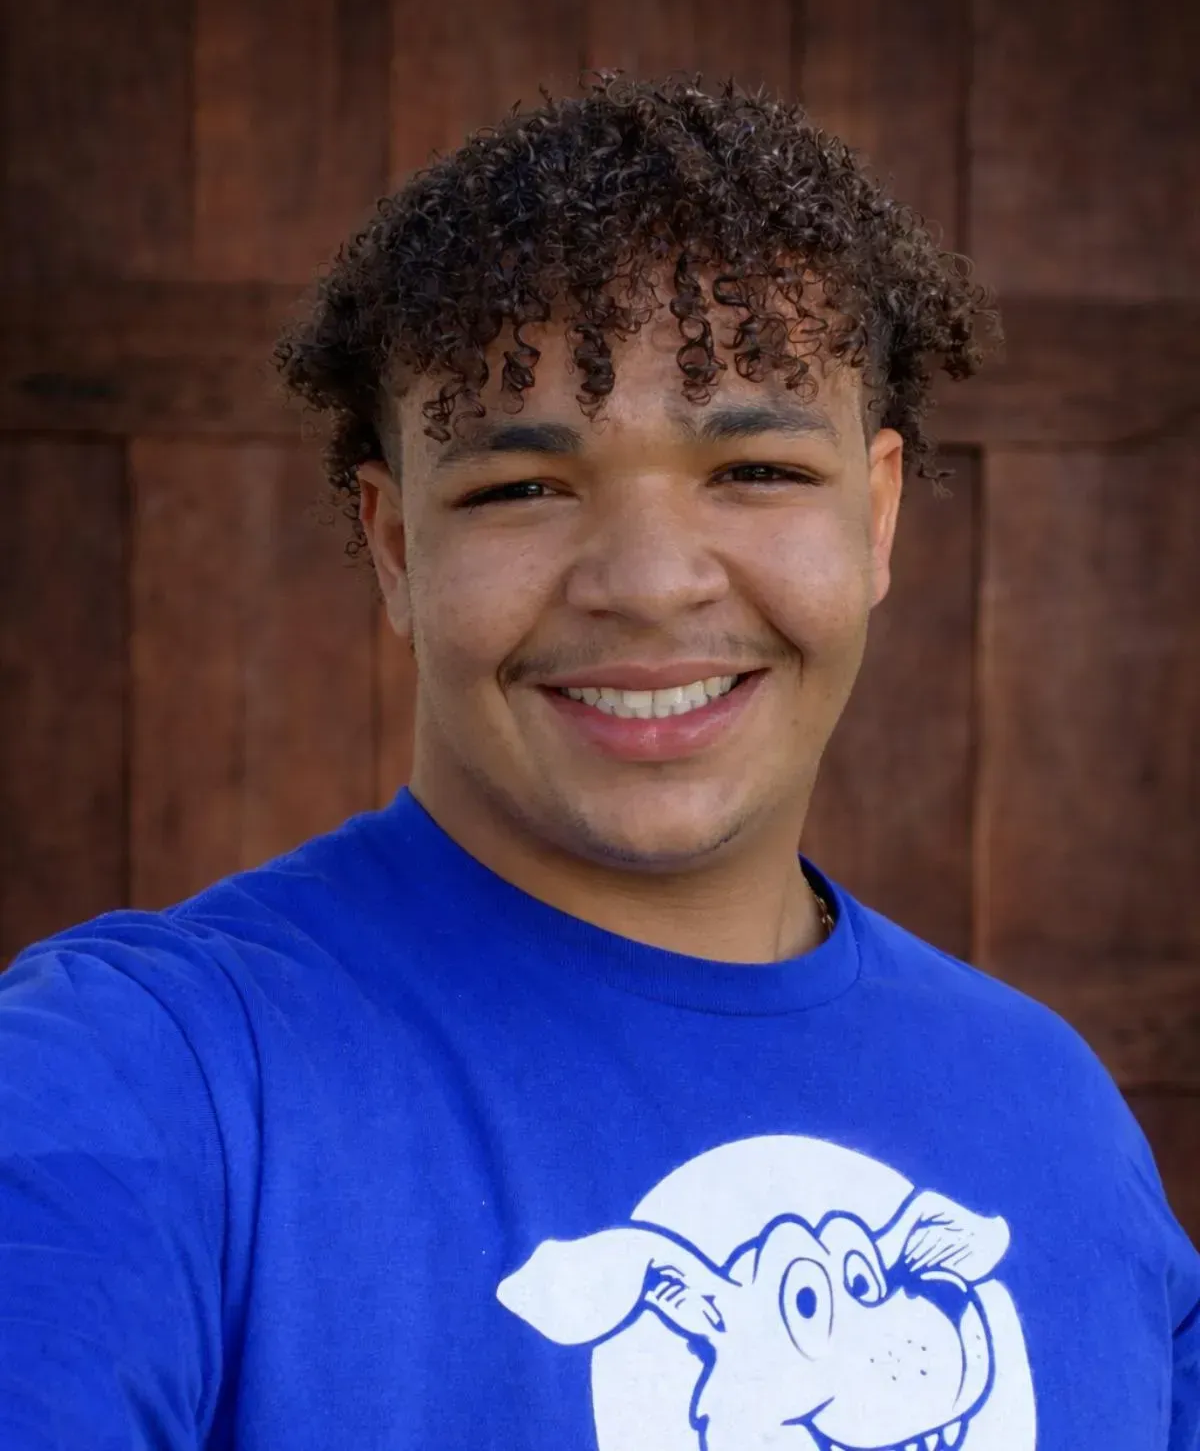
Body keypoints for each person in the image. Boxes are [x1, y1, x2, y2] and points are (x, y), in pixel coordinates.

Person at [1, 74, 1195, 1451]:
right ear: (396, 547)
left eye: (754, 471)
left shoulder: (1053, 1121)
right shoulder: (140, 1082)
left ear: (876, 518)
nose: (646, 584)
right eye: (520, 489)